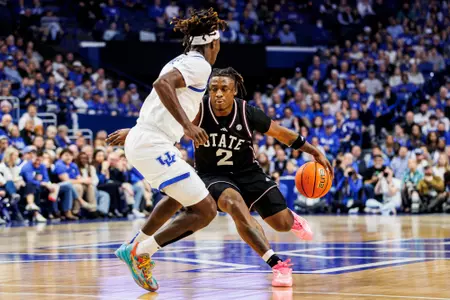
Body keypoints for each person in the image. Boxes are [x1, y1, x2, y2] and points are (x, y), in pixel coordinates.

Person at [108, 67, 333, 287]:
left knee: (282, 224)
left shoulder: (247, 112)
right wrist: (133, 133)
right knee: (232, 203)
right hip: (212, 175)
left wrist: (315, 152)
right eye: (213, 88)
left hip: (249, 172)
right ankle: (277, 265)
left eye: (224, 88)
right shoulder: (198, 109)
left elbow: (283, 134)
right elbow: (164, 124)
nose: (217, 93)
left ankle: (291, 218)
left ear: (234, 91)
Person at [110, 9, 226, 292]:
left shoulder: (182, 61)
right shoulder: (200, 65)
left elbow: (159, 99)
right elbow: (161, 86)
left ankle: (137, 244)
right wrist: (187, 126)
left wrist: (136, 132)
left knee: (177, 198)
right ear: (212, 44)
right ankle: (142, 251)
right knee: (206, 210)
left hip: (147, 138)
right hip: (152, 142)